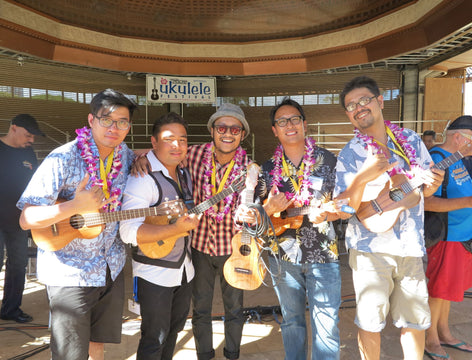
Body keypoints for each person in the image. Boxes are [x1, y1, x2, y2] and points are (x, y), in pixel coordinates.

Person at [17, 89, 138, 360]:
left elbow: (142, 156)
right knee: (70, 353)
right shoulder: (63, 158)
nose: (114, 127)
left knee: (98, 343)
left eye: (122, 121)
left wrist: (146, 159)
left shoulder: (125, 155)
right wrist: (74, 206)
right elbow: (26, 219)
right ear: (91, 120)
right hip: (69, 272)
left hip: (111, 266)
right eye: (106, 119)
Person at [333, 76, 444, 360]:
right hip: (370, 250)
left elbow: (426, 190)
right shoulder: (350, 153)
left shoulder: (411, 140)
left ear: (380, 101)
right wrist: (363, 176)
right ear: (348, 115)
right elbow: (344, 208)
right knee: (370, 322)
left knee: (415, 320)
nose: (358, 107)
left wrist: (432, 182)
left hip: (410, 246)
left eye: (364, 100)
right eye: (351, 105)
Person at [241, 98, 342, 360]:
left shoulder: (329, 161)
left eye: (295, 119)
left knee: (327, 326)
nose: (290, 125)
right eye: (282, 121)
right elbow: (253, 220)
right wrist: (270, 208)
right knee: (292, 323)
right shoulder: (266, 170)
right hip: (282, 258)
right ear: (275, 130)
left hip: (324, 255)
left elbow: (346, 204)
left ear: (305, 124)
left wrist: (331, 212)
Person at [120, 112, 200, 360]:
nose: (177, 145)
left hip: (184, 270)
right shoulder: (142, 178)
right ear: (154, 142)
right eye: (169, 139)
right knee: (154, 338)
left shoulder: (183, 173)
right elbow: (128, 231)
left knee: (174, 331)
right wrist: (174, 230)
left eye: (183, 139)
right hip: (154, 274)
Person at [188, 103, 251, 360]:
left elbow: (251, 209)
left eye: (235, 128)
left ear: (242, 134)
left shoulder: (250, 168)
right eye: (222, 127)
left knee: (235, 309)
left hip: (232, 250)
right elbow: (161, 154)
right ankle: (204, 355)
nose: (228, 133)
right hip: (199, 247)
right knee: (200, 309)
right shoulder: (192, 155)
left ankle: (232, 354)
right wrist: (141, 161)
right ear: (212, 131)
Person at [424, 115, 472, 360]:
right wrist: (468, 202)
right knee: (438, 289)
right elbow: (426, 202)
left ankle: (443, 332)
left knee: (449, 291)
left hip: (462, 235)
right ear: (458, 137)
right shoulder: (438, 159)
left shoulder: (461, 159)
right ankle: (430, 338)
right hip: (446, 235)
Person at [0, 114, 44, 325]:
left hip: (20, 221)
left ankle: (11, 309)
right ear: (14, 128)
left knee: (18, 264)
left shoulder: (29, 154)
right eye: (28, 134)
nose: (31, 140)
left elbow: (37, 183)